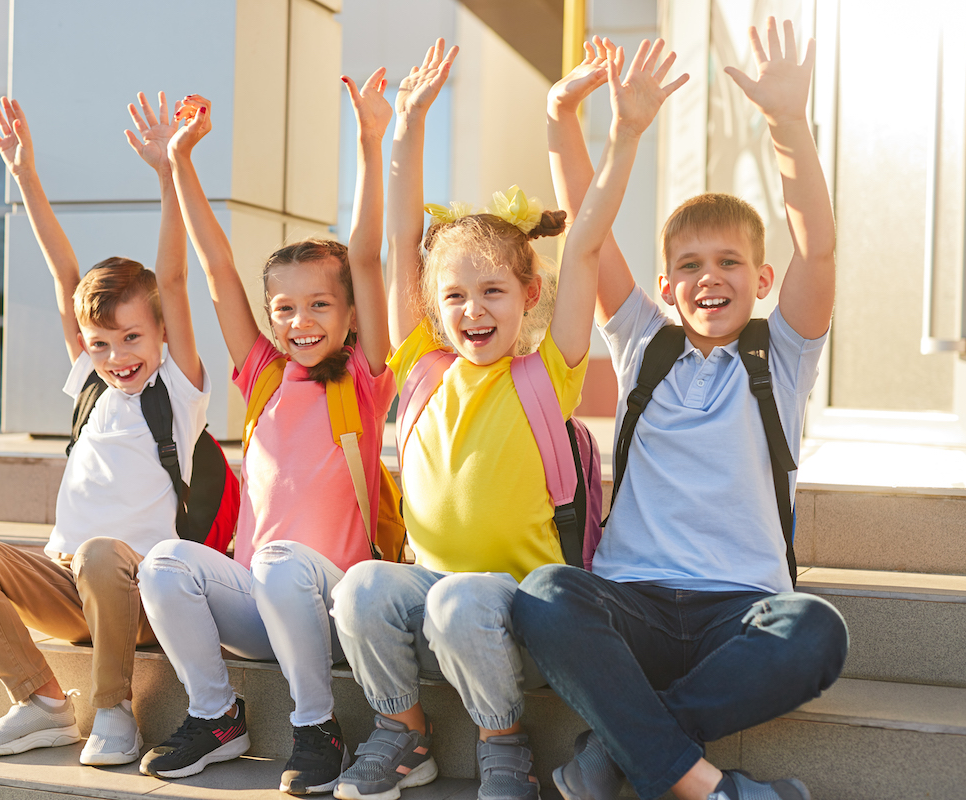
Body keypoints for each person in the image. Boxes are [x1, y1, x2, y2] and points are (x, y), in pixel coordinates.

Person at [329, 38, 685, 800]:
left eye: (492, 290)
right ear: (432, 310)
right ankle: (404, 735)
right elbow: (399, 245)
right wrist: (406, 128)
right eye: (454, 296)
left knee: (461, 601)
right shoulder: (420, 370)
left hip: (514, 604)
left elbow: (586, 243)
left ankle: (503, 743)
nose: (472, 309)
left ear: (529, 295)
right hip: (431, 589)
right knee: (359, 587)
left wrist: (622, 134)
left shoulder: (544, 374)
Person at [512, 20, 848, 800]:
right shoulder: (642, 344)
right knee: (545, 595)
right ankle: (711, 789)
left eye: (730, 262)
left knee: (817, 630)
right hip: (634, 606)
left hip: (743, 612)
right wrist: (569, 123)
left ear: (762, 278)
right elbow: (586, 236)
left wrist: (788, 124)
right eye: (690, 266)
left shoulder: (782, 355)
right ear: (665, 288)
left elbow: (820, 248)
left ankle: (613, 755)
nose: (710, 278)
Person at [134, 70, 396, 796]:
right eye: (283, 307)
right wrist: (182, 162)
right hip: (259, 599)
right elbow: (219, 272)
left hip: (335, 605)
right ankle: (217, 716)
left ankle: (317, 728)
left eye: (319, 305)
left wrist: (372, 143)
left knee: (282, 560)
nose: (299, 321)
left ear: (348, 316)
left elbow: (368, 256)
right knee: (163, 563)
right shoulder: (265, 375)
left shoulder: (367, 380)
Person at [0, 93, 210, 767]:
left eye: (131, 338)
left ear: (162, 333)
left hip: (139, 594)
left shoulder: (176, 389)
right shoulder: (91, 382)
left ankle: (114, 710)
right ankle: (44, 704)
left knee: (101, 554)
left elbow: (171, 275)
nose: (117, 357)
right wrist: (24, 175)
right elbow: (63, 274)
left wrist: (171, 168)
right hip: (69, 587)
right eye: (101, 342)